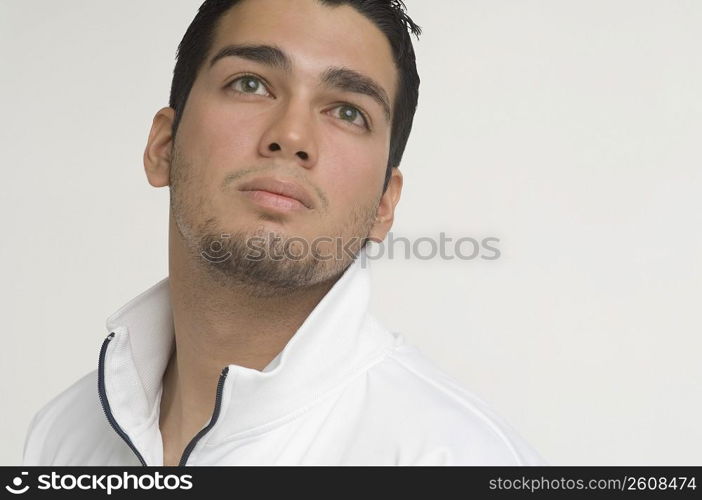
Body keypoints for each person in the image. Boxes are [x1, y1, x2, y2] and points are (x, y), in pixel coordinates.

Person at [22, 0, 546, 466]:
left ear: (385, 204)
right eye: (251, 84)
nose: (291, 136)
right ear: (163, 145)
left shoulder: (457, 460)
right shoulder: (62, 437)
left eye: (348, 111)